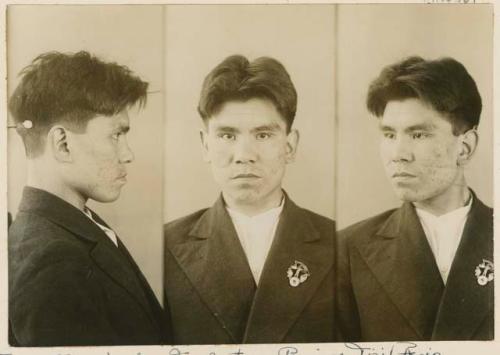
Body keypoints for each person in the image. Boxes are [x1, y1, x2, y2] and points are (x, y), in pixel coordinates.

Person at [163, 55, 335, 344]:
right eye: (227, 136)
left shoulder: (339, 245)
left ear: (290, 145)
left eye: (263, 135)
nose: (244, 154)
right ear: (206, 145)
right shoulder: (166, 247)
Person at [8, 51, 167, 346]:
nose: (128, 154)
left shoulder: (71, 227)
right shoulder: (52, 263)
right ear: (63, 144)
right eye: (116, 135)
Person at [337, 56, 493, 341]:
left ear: (465, 147)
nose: (398, 154)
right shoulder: (348, 250)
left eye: (418, 134)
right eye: (389, 134)